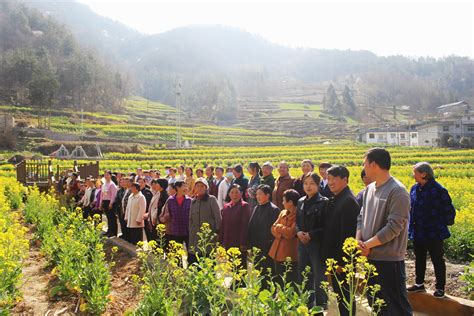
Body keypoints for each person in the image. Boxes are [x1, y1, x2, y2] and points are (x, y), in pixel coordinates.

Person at [356, 147, 412, 316]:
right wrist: (358, 241)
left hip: (389, 260)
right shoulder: (369, 189)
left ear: (373, 165)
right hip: (370, 255)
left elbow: (394, 227)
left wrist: (367, 244)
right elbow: (361, 217)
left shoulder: (398, 191)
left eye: (364, 164)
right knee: (376, 303)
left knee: (396, 306)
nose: (363, 167)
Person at [407, 162, 456, 298]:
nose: (413, 175)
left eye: (415, 172)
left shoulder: (439, 190)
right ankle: (419, 284)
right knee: (419, 258)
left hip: (434, 232)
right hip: (419, 231)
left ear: (424, 174)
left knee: (437, 260)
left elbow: (449, 211)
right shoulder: (414, 189)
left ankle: (440, 288)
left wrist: (440, 224)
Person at [322, 165, 360, 316]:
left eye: (333, 179)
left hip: (342, 261)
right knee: (341, 295)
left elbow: (348, 236)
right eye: (328, 179)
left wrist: (341, 262)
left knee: (346, 296)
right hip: (335, 259)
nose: (330, 182)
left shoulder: (348, 201)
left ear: (345, 179)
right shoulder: (337, 198)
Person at [296, 172, 329, 309]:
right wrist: (298, 232)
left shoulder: (324, 202)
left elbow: (326, 226)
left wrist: (311, 235)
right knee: (304, 273)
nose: (308, 186)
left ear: (318, 185)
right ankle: (307, 303)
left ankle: (321, 305)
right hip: (302, 244)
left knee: (319, 275)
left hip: (317, 244)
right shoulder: (300, 201)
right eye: (306, 183)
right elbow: (297, 221)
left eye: (312, 183)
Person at [248, 184, 280, 286]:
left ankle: (270, 291)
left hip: (268, 246)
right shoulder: (256, 207)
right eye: (257, 194)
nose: (257, 196)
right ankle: (260, 289)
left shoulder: (274, 209)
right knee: (258, 269)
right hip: (256, 245)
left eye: (260, 194)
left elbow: (274, 229)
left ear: (268, 195)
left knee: (268, 269)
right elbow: (251, 226)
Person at [269, 189, 300, 286]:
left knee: (289, 280)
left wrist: (279, 228)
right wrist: (282, 233)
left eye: (284, 200)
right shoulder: (282, 212)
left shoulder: (298, 215)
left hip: (289, 252)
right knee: (279, 278)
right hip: (277, 250)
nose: (282, 203)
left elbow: (291, 233)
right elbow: (272, 228)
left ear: (290, 202)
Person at [188, 178, 222, 263]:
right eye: (197, 186)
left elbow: (218, 217)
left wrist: (218, 232)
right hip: (195, 236)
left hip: (209, 236)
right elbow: (190, 219)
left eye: (202, 186)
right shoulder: (193, 201)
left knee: (208, 261)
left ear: (206, 188)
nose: (199, 188)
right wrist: (191, 230)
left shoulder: (212, 199)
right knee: (194, 261)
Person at [219, 184, 251, 253]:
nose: (234, 195)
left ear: (241, 193)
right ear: (229, 194)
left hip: (238, 243)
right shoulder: (226, 207)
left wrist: (243, 243)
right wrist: (220, 240)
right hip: (226, 242)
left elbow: (245, 226)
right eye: (232, 192)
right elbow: (223, 224)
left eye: (237, 192)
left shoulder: (244, 206)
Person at [165, 180, 192, 246]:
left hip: (187, 230)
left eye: (186, 186)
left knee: (190, 252)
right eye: (184, 186)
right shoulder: (171, 200)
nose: (186, 188)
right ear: (177, 187)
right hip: (175, 231)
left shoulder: (190, 200)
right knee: (176, 253)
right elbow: (170, 214)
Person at [101, 170, 118, 237]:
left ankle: (113, 232)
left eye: (107, 175)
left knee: (112, 218)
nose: (106, 176)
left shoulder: (112, 184)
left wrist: (111, 203)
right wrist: (101, 202)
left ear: (110, 175)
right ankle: (109, 230)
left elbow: (113, 195)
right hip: (105, 201)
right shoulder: (104, 184)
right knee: (108, 217)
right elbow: (102, 194)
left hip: (110, 202)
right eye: (105, 175)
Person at [138, 177, 155, 241]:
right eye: (139, 182)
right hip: (138, 215)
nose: (140, 184)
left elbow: (149, 204)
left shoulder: (147, 192)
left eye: (142, 182)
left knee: (148, 232)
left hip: (146, 215)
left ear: (145, 183)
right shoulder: (136, 191)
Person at [119, 177, 134, 241]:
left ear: (131, 183)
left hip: (129, 211)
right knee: (124, 225)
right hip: (123, 210)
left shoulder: (131, 190)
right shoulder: (126, 190)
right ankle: (126, 237)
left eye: (127, 182)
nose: (125, 183)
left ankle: (128, 238)